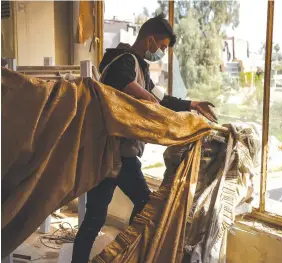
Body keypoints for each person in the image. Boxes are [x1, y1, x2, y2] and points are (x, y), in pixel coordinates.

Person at [72, 14, 217, 262]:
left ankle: (125, 252)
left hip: (120, 155)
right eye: (161, 47)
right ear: (150, 40)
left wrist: (193, 104)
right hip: (111, 156)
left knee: (108, 214)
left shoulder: (139, 66)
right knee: (128, 210)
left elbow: (159, 99)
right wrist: (155, 106)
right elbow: (137, 93)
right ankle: (125, 254)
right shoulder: (123, 62)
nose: (161, 52)